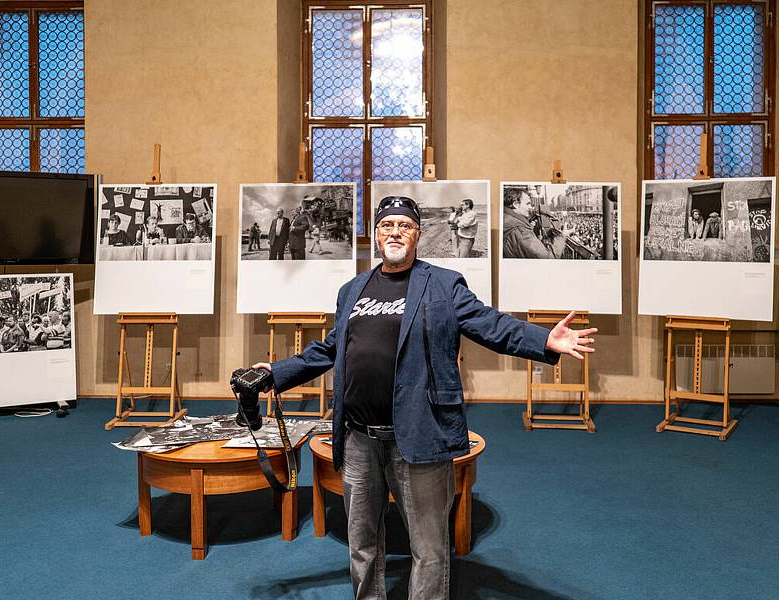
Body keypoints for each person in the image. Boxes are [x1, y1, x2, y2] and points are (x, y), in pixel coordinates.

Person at [250, 195, 596, 599]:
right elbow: (329, 349)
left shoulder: (443, 284)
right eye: (386, 225)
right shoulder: (352, 290)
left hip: (420, 432)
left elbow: (492, 325)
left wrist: (545, 340)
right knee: (361, 541)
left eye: (404, 225)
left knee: (429, 547)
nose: (394, 232)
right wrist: (276, 372)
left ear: (417, 234)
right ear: (376, 235)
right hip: (359, 435)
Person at [503, 188, 569, 259]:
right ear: (516, 204)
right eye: (528, 204)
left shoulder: (506, 217)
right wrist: (563, 236)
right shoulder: (520, 230)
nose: (531, 207)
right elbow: (549, 257)